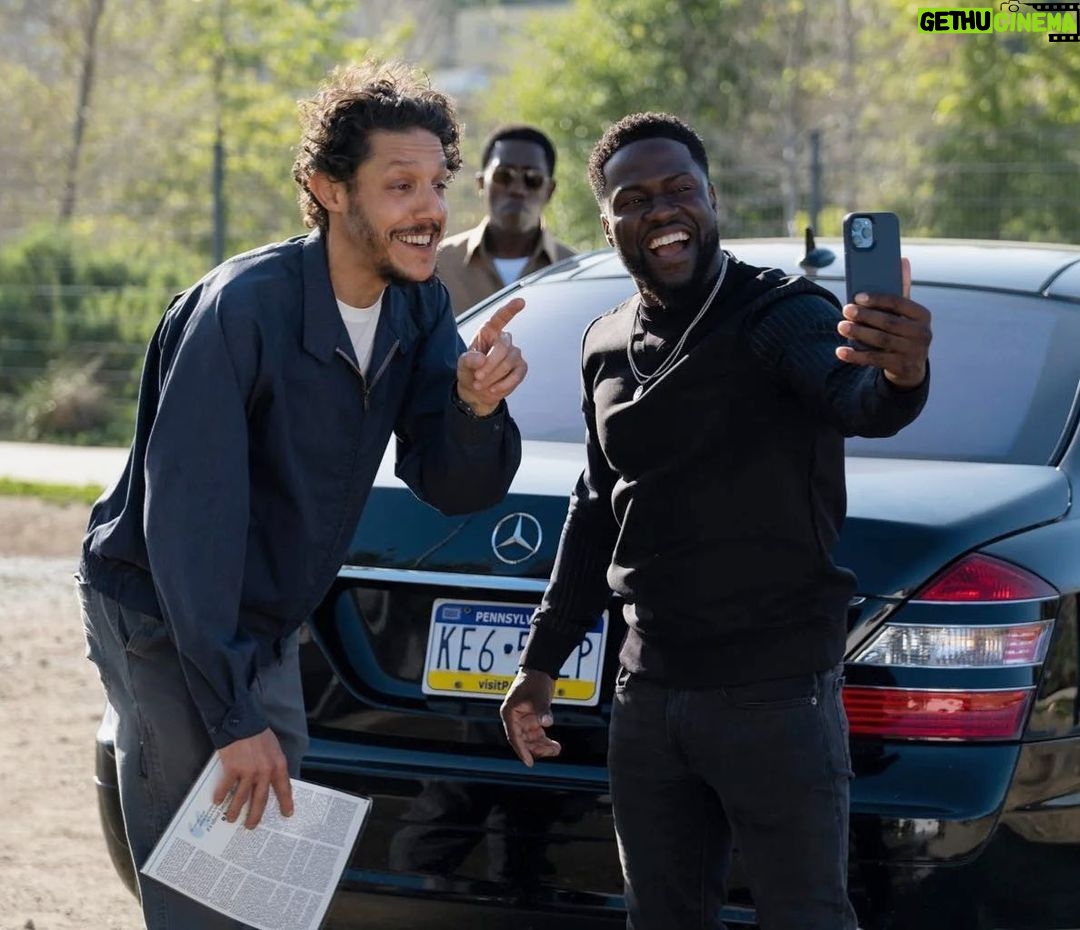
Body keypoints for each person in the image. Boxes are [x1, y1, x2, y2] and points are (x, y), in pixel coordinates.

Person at [77, 59, 528, 930]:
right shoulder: (239, 311)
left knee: (262, 876)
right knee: (202, 885)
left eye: (438, 183)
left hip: (267, 613)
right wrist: (232, 713)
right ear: (328, 189)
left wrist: (474, 407)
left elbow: (451, 484)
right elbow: (188, 526)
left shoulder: (420, 308)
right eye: (400, 185)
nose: (430, 208)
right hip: (163, 609)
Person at [499, 112, 932, 930]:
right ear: (608, 224)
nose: (662, 210)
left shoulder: (780, 314)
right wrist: (542, 661)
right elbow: (597, 507)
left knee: (806, 919)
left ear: (711, 198)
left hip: (774, 698)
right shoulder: (604, 343)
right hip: (647, 695)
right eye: (635, 199)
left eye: (680, 189)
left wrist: (901, 373)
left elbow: (857, 399)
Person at [437, 123, 575, 316]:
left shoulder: (575, 271)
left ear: (549, 191)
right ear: (481, 183)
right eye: (503, 176)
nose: (517, 189)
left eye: (532, 179)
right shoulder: (438, 265)